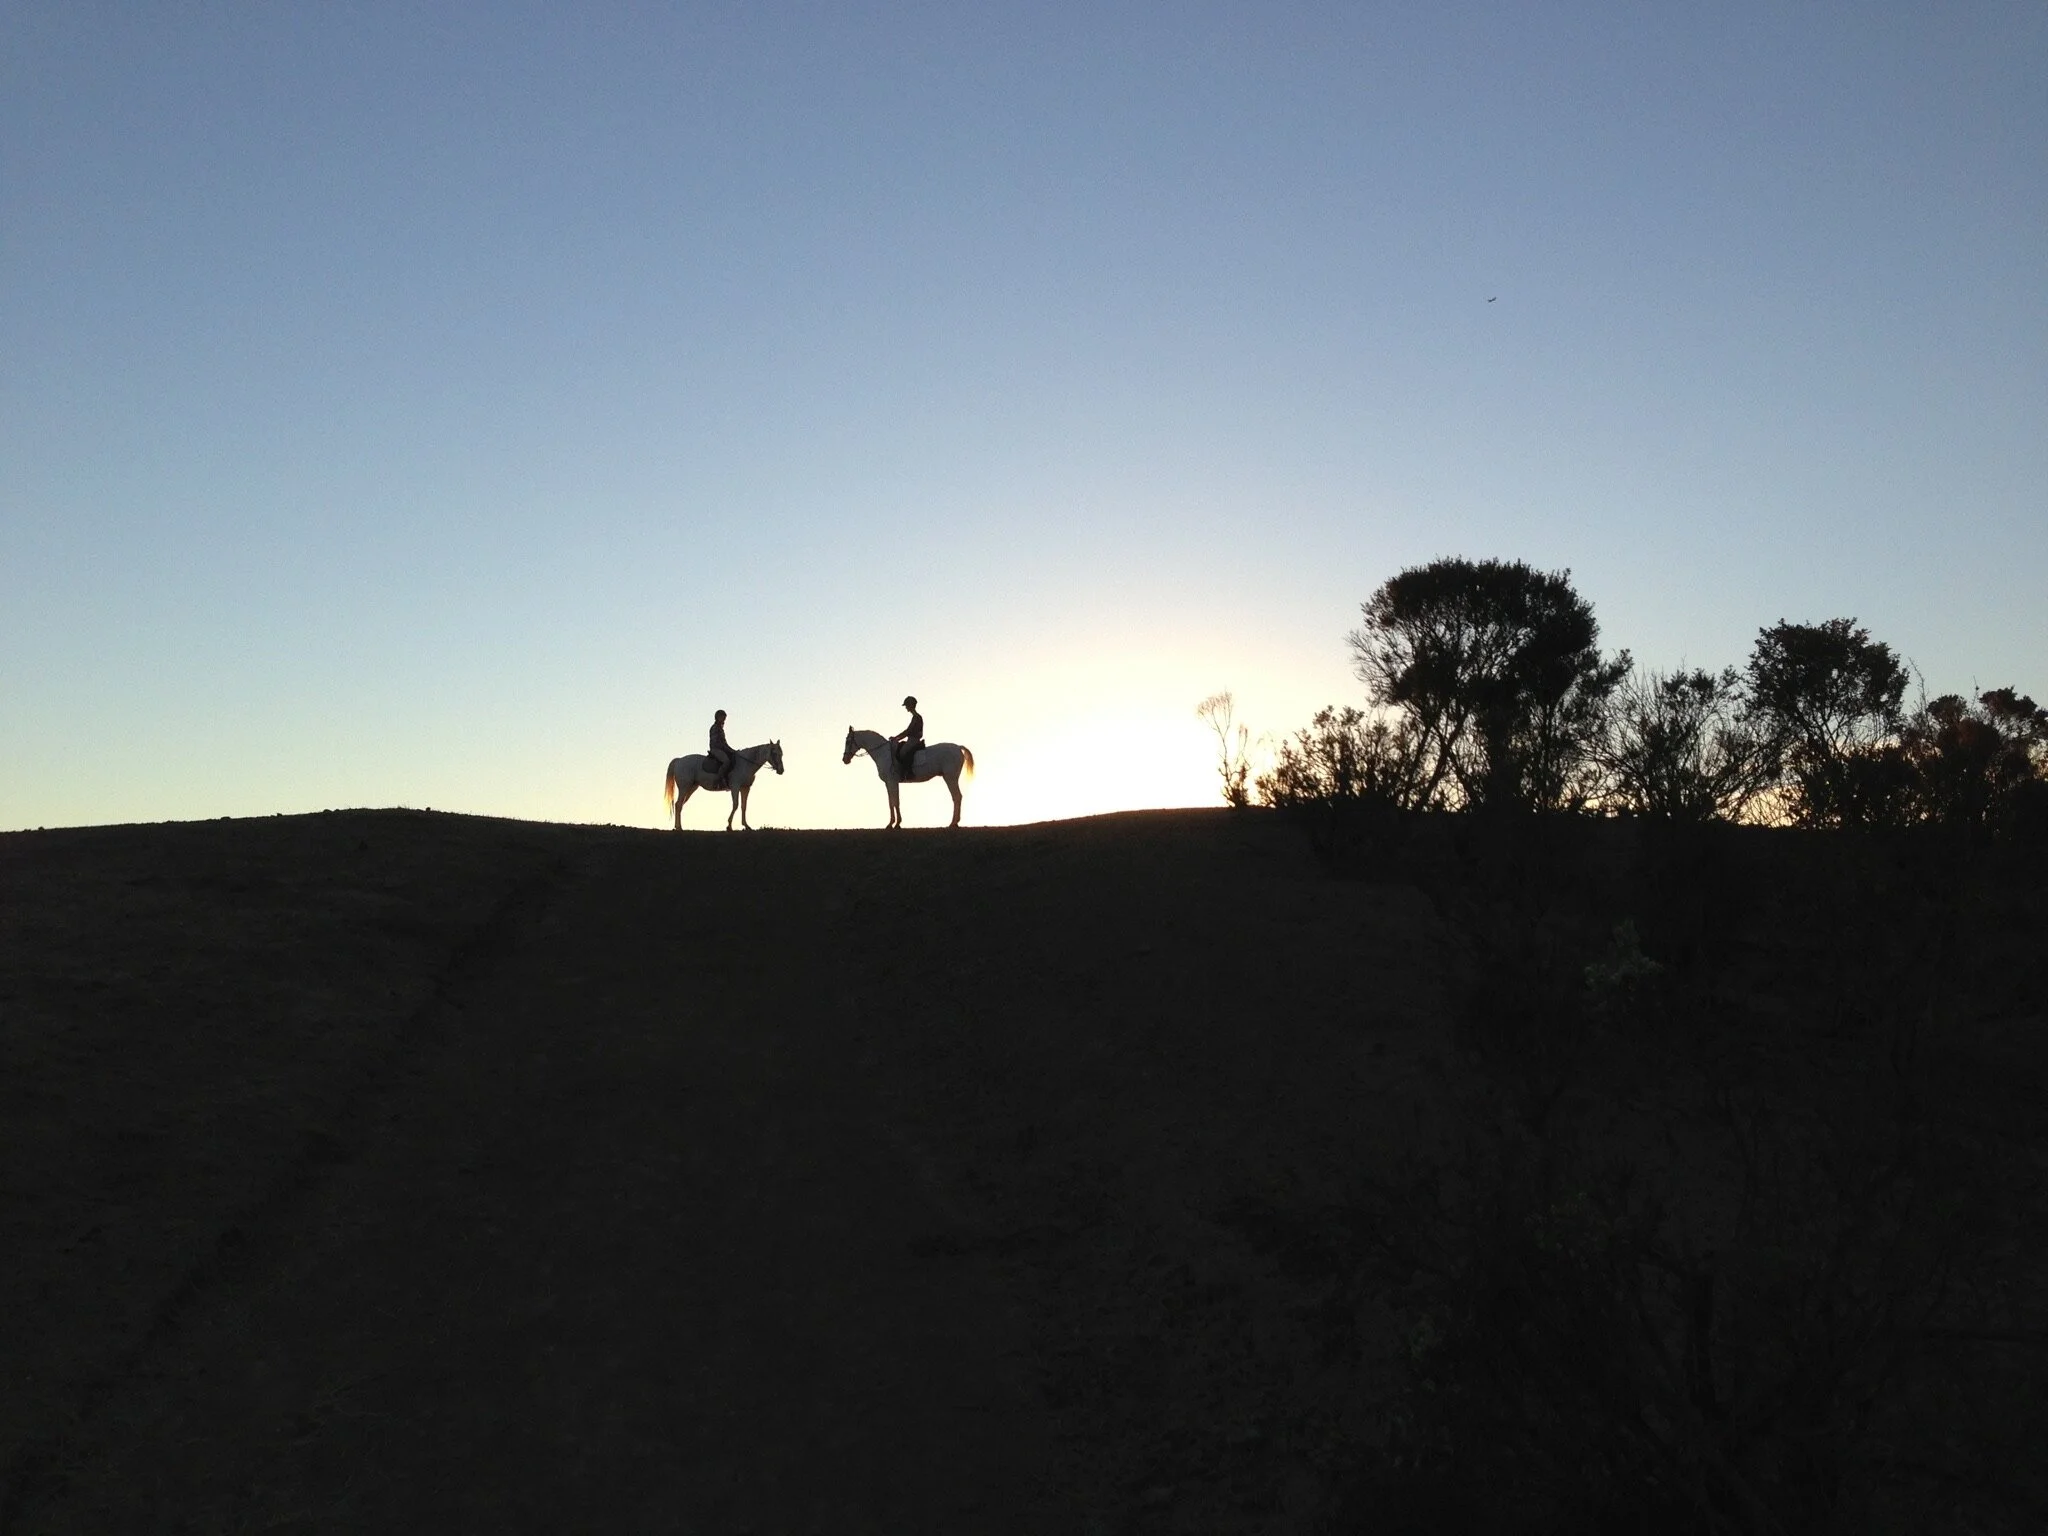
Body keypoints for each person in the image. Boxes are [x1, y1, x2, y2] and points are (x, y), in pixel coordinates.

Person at [889, 695, 924, 776]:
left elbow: (908, 731)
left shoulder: (916, 717)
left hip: (913, 740)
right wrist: (897, 738)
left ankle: (909, 772)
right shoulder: (916, 717)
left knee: (902, 752)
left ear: (910, 705)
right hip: (911, 739)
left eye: (906, 705)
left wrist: (896, 738)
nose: (906, 707)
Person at [707, 709, 734, 789]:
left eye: (725, 718)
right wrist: (728, 750)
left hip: (722, 749)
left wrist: (732, 750)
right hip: (716, 749)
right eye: (723, 717)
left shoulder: (720, 728)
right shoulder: (715, 728)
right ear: (718, 717)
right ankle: (718, 781)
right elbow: (717, 742)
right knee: (726, 761)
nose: (724, 720)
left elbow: (724, 742)